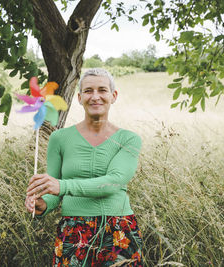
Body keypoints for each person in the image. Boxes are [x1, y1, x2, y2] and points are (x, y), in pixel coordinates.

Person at [25, 68, 143, 267]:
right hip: (73, 230)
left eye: (102, 90)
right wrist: (42, 204)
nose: (95, 96)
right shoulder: (59, 138)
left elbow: (113, 182)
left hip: (118, 229)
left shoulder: (129, 139)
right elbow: (53, 192)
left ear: (113, 96)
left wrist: (61, 186)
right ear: (79, 98)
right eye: (88, 91)